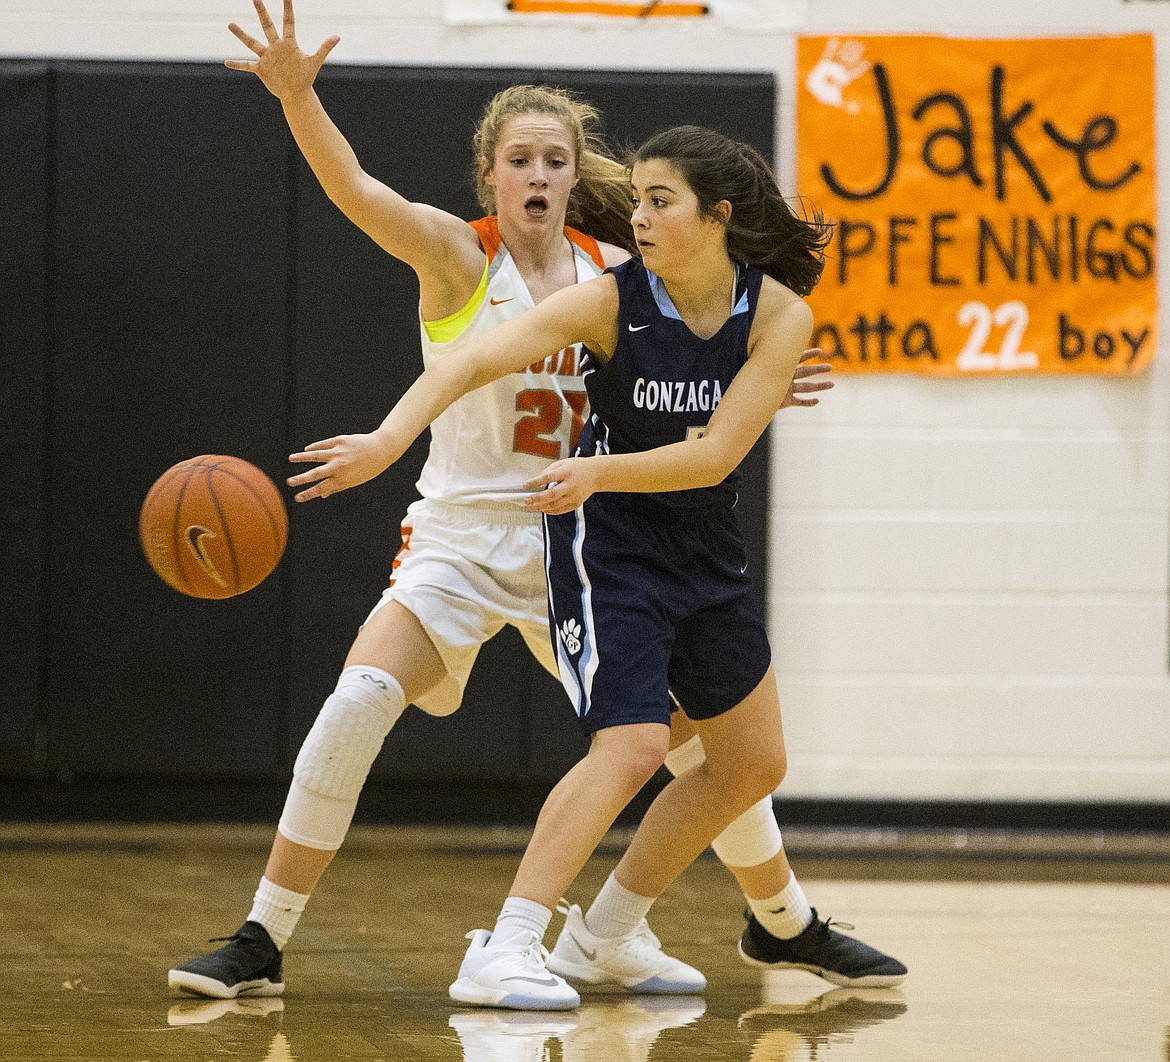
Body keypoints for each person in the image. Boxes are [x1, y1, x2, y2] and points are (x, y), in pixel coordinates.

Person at [168, 0, 905, 1002]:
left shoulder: (625, 266)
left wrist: (762, 372)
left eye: (557, 161)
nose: (541, 177)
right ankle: (262, 936)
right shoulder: (457, 257)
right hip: (462, 541)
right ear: (490, 175)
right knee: (361, 701)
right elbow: (353, 189)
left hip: (588, 542)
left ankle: (771, 921)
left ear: (575, 175)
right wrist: (299, 98)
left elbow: (720, 332)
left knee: (705, 738)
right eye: (521, 159)